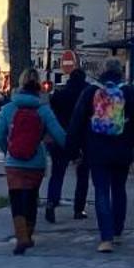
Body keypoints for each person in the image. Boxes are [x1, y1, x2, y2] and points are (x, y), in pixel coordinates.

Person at [68, 58, 134, 252]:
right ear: (120, 71)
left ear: (101, 71)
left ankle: (106, 238)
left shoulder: (90, 92)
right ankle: (118, 231)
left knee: (102, 192)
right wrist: (130, 141)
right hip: (121, 151)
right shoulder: (128, 92)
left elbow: (76, 122)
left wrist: (75, 150)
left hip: (96, 151)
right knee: (119, 189)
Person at [0, 67, 66, 254]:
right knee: (31, 197)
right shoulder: (43, 110)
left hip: (13, 162)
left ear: (20, 83)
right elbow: (59, 135)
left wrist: (8, 150)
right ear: (39, 85)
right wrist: (74, 150)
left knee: (16, 198)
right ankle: (29, 233)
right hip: (36, 161)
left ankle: (21, 238)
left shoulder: (9, 108)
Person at [43, 64, 92, 223]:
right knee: (82, 175)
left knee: (58, 173)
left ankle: (51, 202)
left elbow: (52, 115)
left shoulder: (59, 94)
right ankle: (79, 209)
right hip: (83, 139)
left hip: (61, 137)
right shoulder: (89, 93)